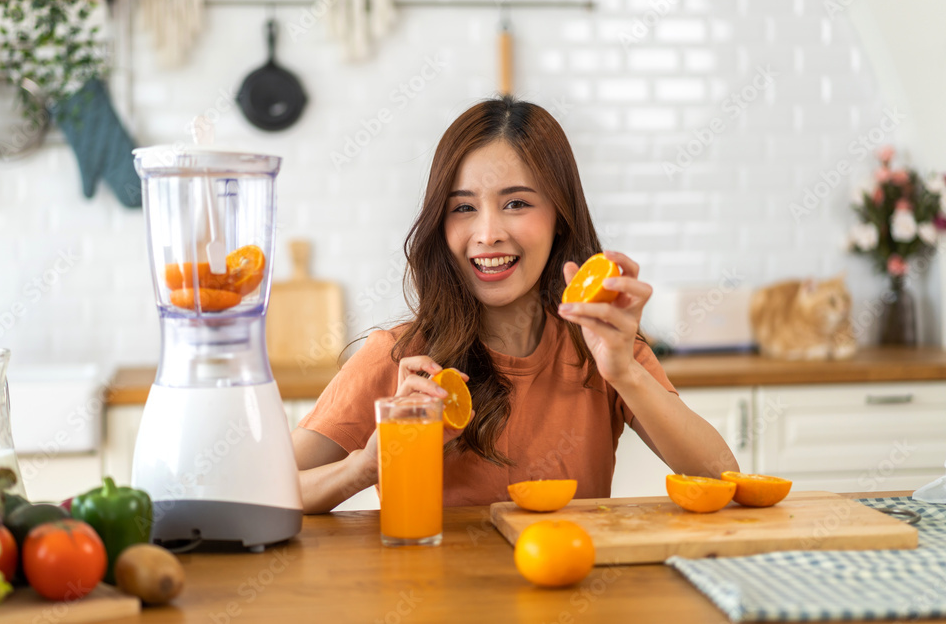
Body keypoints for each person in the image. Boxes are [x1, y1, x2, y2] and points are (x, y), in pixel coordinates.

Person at [293, 96, 738, 514]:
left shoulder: (606, 352)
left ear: (560, 218)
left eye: (517, 203)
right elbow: (267, 492)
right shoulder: (399, 357)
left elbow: (723, 476)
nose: (488, 233)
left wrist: (626, 374)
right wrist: (367, 466)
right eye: (463, 208)